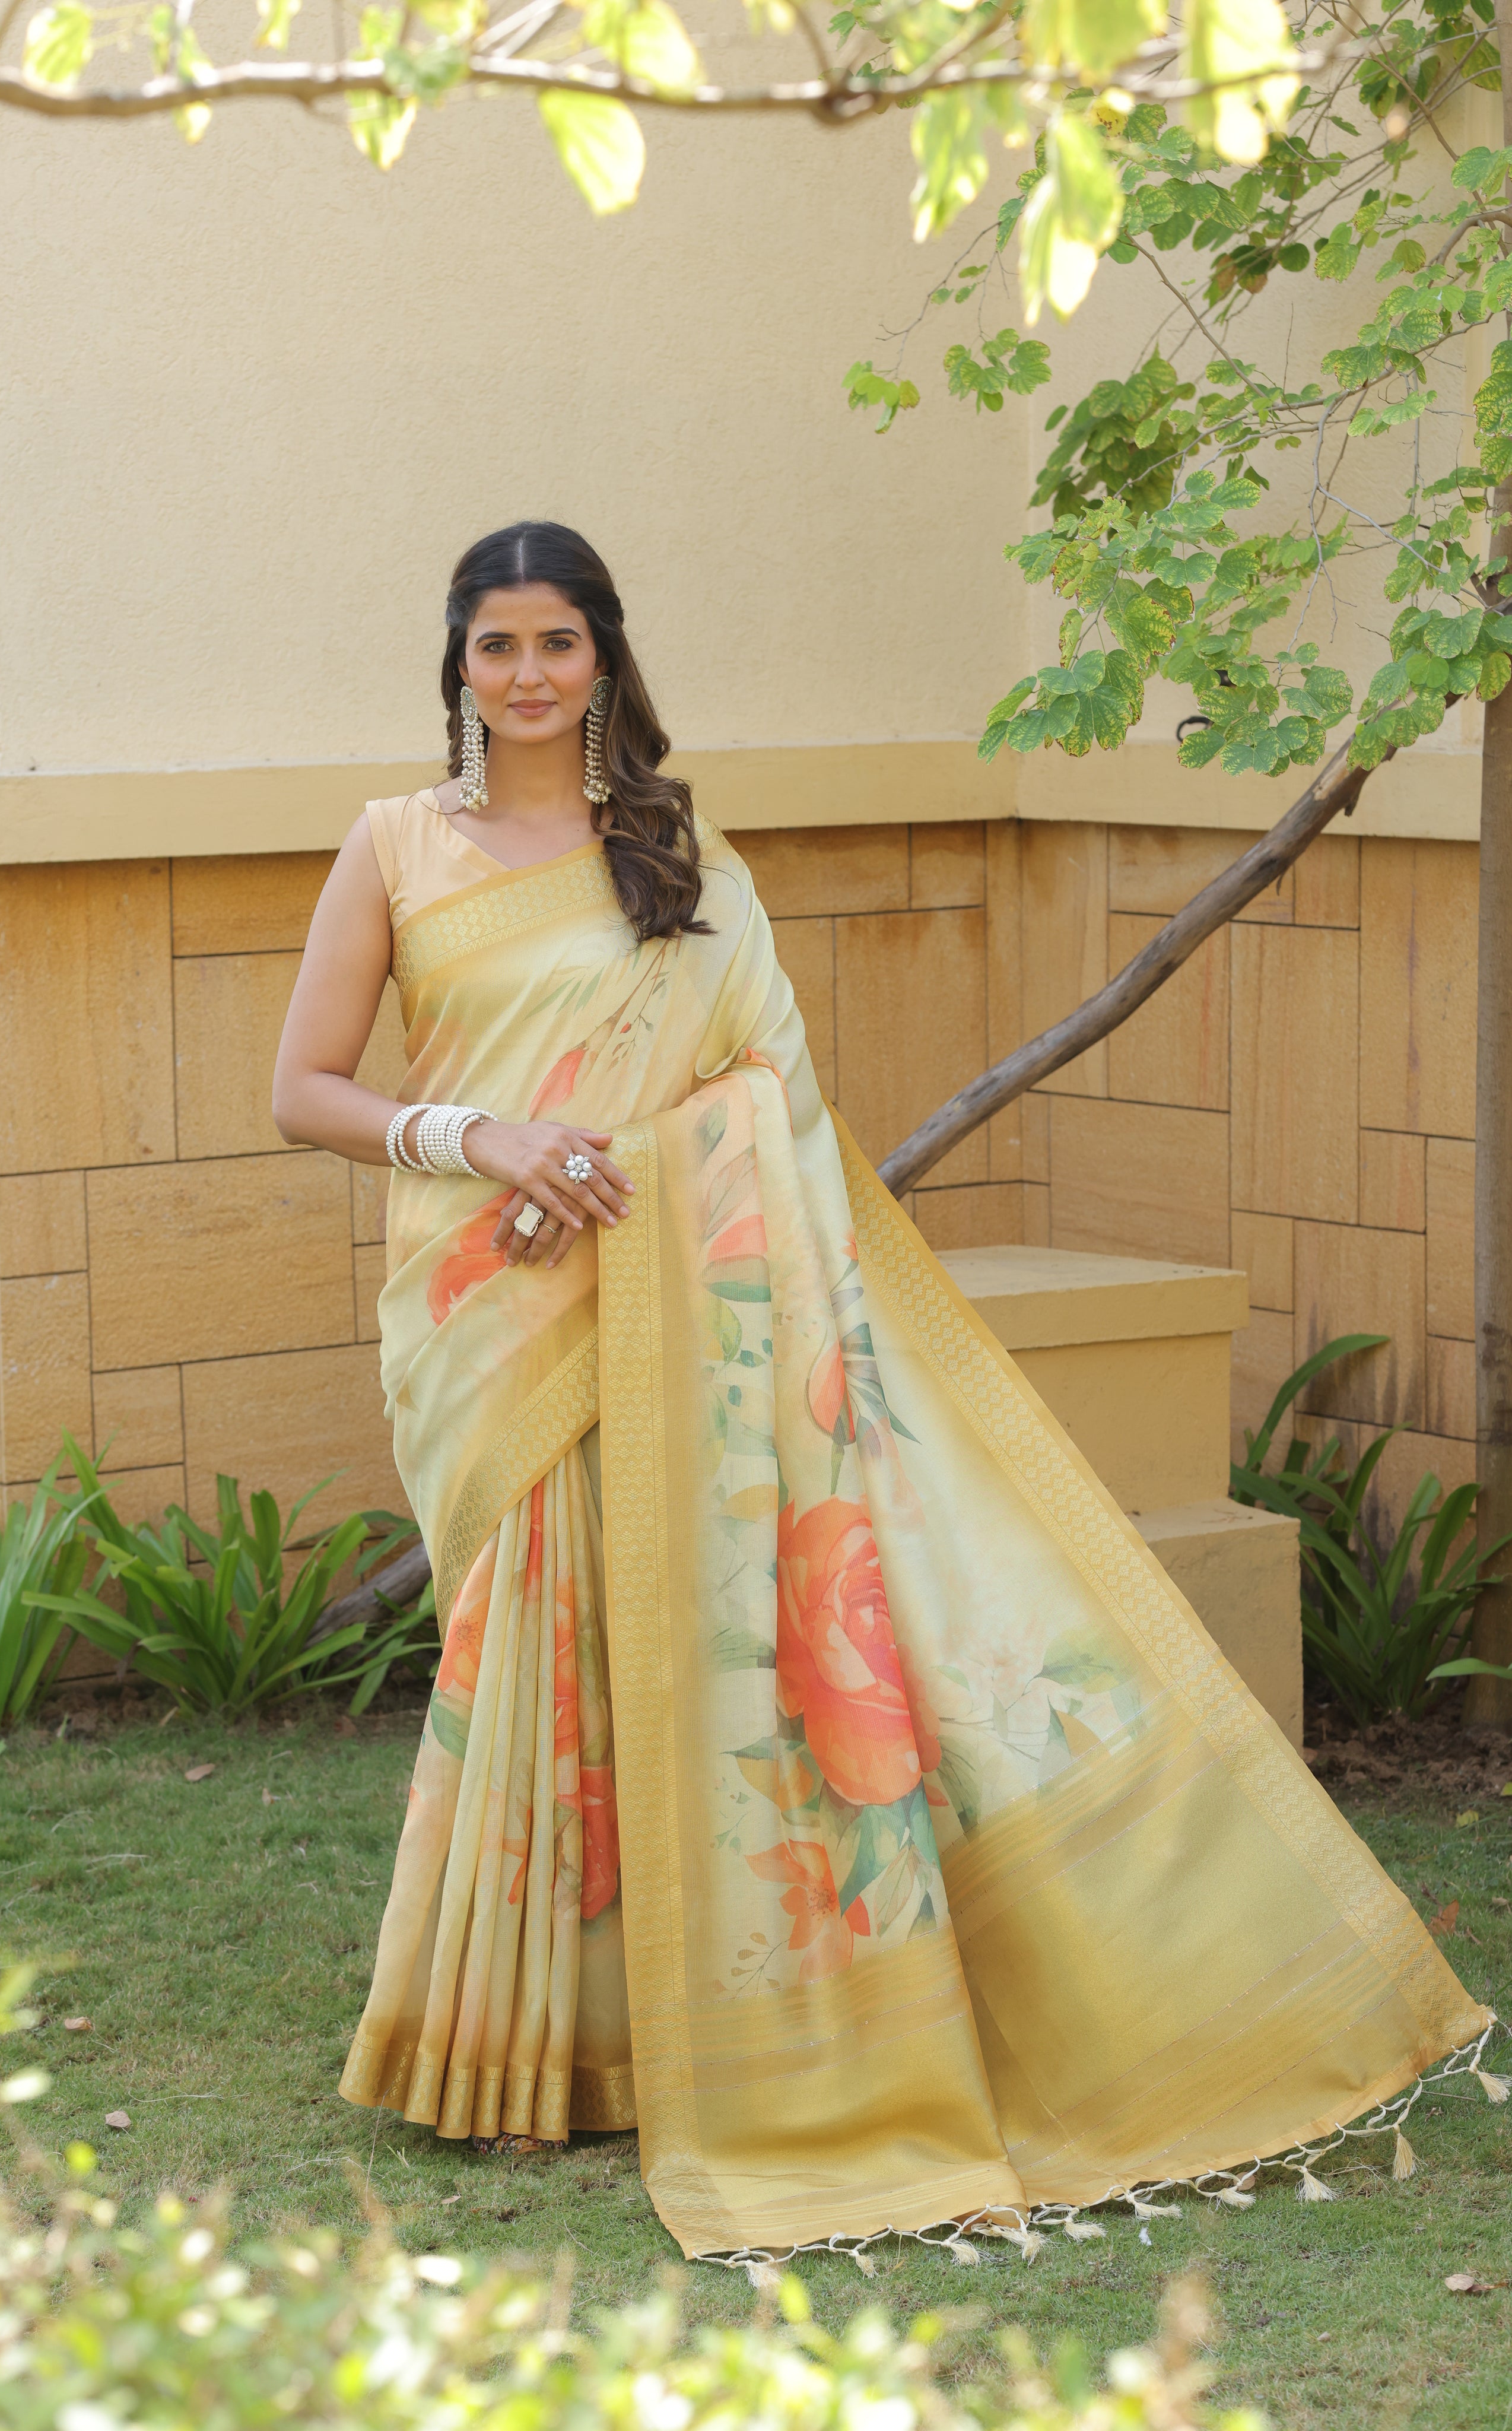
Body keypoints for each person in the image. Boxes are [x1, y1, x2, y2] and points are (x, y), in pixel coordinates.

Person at [272, 520, 1489, 2265]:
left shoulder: (676, 850)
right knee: (535, 1644)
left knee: (671, 1648)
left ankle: (660, 2037)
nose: (527, 675)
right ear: (455, 665)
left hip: (679, 1286)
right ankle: (510, 2042)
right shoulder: (395, 846)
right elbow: (302, 1085)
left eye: (556, 643)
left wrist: (643, 1158)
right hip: (492, 1302)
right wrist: (481, 1138)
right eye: (495, 648)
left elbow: (767, 1080)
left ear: (604, 658)